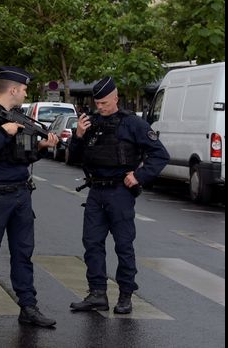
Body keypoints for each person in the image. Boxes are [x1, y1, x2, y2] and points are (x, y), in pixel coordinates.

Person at [0, 66, 59, 328]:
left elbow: (25, 156)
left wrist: (41, 147)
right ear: (14, 89)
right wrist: (3, 132)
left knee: (23, 253)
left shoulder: (20, 117)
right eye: (25, 89)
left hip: (21, 194)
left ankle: (28, 307)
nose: (27, 92)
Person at [67, 76, 169, 315]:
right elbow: (73, 157)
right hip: (95, 192)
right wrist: (78, 136)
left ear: (115, 97)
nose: (100, 107)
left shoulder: (133, 123)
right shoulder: (89, 123)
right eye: (97, 103)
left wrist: (139, 176)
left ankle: (125, 295)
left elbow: (160, 154)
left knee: (123, 245)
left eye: (104, 102)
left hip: (119, 193)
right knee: (92, 243)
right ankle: (97, 294)